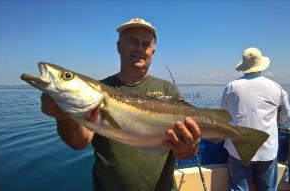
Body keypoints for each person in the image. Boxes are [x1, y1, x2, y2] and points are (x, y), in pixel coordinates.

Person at [41, 18, 201, 191]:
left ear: (153, 51)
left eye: (145, 44)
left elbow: (184, 154)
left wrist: (189, 148)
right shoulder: (98, 91)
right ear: (119, 46)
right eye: (133, 41)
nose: (139, 48)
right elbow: (79, 142)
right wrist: (64, 118)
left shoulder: (168, 90)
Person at [221, 47, 290, 191]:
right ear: (261, 66)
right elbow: (286, 117)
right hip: (267, 150)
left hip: (237, 149)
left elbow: (224, 116)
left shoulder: (231, 87)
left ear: (244, 66)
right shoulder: (276, 87)